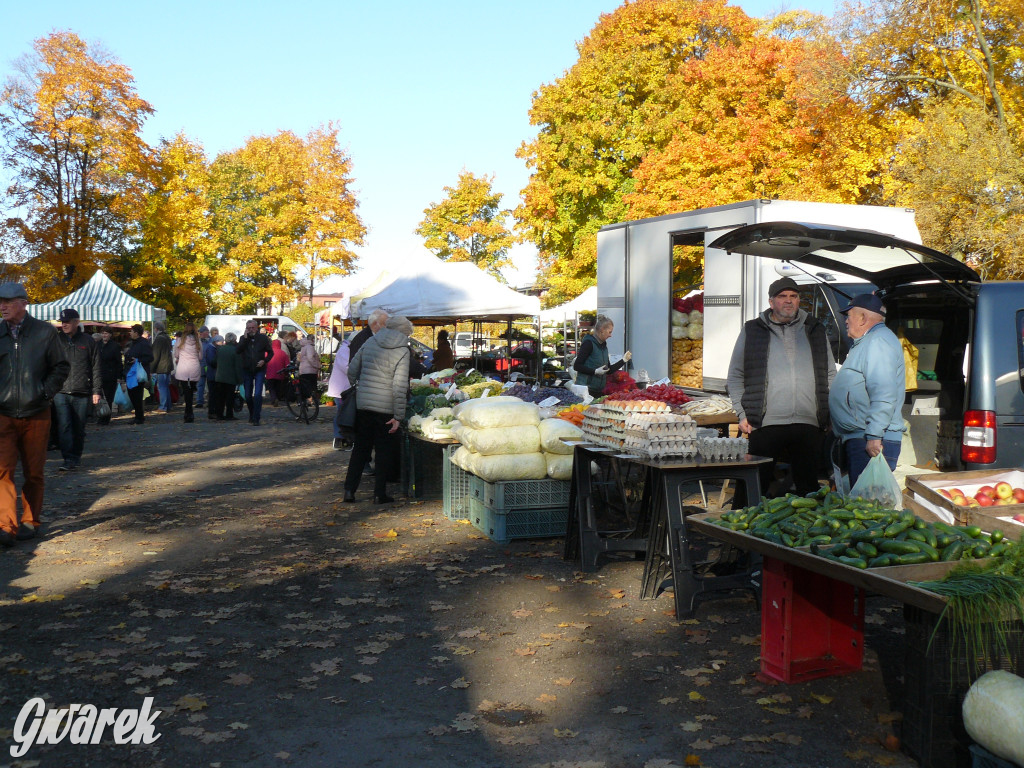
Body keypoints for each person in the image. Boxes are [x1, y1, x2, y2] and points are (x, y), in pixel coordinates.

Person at [727, 277, 836, 497]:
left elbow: (830, 373)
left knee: (808, 491)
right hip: (764, 423)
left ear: (799, 300)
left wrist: (830, 412)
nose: (788, 301)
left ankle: (804, 520)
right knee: (753, 486)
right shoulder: (753, 329)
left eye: (793, 296)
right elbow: (735, 375)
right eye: (782, 296)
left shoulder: (814, 328)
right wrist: (742, 413)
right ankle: (741, 518)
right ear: (771, 302)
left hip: (809, 423)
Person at [0, 282, 70, 545]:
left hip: (37, 413)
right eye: (0, 302)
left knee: (34, 472)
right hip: (3, 414)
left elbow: (61, 366)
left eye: (7, 301)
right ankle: (6, 525)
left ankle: (30, 520)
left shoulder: (44, 332)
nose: (2, 307)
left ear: (23, 303)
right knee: (2, 471)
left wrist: (45, 393)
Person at [830, 293, 906, 487]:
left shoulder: (878, 342)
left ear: (863, 318)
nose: (846, 321)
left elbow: (883, 392)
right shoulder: (868, 342)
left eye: (849, 315)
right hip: (861, 437)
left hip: (870, 440)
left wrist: (874, 435)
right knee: (862, 498)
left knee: (868, 501)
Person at [343, 313, 412, 504]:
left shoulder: (370, 342)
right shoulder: (403, 351)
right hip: (386, 408)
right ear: (404, 332)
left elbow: (352, 370)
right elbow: (399, 386)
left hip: (364, 404)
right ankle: (379, 494)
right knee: (383, 451)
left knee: (360, 448)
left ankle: (349, 490)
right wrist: (398, 415)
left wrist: (360, 386)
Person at [53, 308, 102, 471]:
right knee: (64, 425)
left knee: (79, 426)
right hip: (60, 391)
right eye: (62, 322)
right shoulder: (56, 340)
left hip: (82, 391)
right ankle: (68, 459)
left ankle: (75, 456)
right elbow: (48, 364)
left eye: (67, 322)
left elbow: (96, 367)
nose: (64, 324)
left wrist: (96, 390)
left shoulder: (88, 341)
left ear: (76, 322)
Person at [573, 315, 632, 397]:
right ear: (602, 330)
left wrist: (624, 360)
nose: (610, 335)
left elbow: (608, 370)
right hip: (585, 391)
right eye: (610, 332)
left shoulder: (603, 346)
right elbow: (577, 366)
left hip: (597, 391)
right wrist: (595, 371)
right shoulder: (588, 344)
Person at [237, 319, 273, 426]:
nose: (251, 330)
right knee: (247, 395)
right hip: (247, 369)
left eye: (253, 328)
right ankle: (252, 413)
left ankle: (256, 417)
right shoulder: (243, 338)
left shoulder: (263, 338)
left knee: (257, 394)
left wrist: (264, 361)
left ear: (256, 328)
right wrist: (245, 339)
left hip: (259, 369)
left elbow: (271, 352)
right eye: (249, 328)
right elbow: (238, 350)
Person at [173, 321, 203, 423]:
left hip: (183, 368)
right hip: (194, 367)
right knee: (191, 391)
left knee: (186, 391)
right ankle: (190, 412)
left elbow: (176, 355)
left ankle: (188, 412)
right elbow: (200, 357)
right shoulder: (198, 341)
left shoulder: (180, 341)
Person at [123, 325, 154, 424]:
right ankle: (138, 415)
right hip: (131, 372)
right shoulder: (132, 343)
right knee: (132, 394)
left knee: (137, 395)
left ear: (136, 333)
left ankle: (139, 417)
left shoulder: (143, 343)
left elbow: (150, 358)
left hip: (138, 374)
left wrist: (138, 360)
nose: (130, 333)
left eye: (132, 331)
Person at [327, 334, 352, 450]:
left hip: (343, 388)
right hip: (341, 389)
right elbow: (347, 368)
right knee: (341, 413)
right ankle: (339, 438)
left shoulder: (345, 349)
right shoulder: (344, 350)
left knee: (343, 412)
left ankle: (343, 437)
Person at [213, 333, 244, 421]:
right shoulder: (235, 351)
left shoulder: (220, 349)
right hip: (231, 378)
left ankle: (219, 414)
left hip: (219, 377)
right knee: (230, 397)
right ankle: (229, 414)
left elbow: (214, 361)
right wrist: (240, 379)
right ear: (234, 340)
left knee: (220, 397)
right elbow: (238, 366)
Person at [97, 328, 124, 425]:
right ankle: (101, 415)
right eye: (103, 333)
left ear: (110, 335)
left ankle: (106, 417)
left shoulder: (114, 346)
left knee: (108, 397)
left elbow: (118, 362)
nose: (104, 335)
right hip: (99, 374)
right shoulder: (98, 345)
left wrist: (119, 376)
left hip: (110, 375)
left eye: (106, 333)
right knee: (99, 397)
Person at [150, 321, 175, 413]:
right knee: (166, 386)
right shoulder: (167, 337)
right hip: (167, 365)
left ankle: (163, 406)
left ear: (156, 329)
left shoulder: (159, 339)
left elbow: (156, 354)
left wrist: (151, 368)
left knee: (162, 387)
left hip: (162, 366)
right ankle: (168, 405)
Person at [265, 339, 291, 406]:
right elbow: (287, 364)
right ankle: (277, 398)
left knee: (271, 387)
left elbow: (265, 362)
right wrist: (286, 373)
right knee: (278, 387)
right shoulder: (283, 353)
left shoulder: (268, 352)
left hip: (270, 373)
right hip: (280, 374)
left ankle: (274, 398)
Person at [203, 335, 223, 419]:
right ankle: (212, 412)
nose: (222, 343)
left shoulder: (212, 348)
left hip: (213, 374)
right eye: (221, 342)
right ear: (216, 342)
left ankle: (214, 411)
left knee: (215, 394)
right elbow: (212, 362)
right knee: (213, 394)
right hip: (212, 375)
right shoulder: (211, 349)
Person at [297, 335, 320, 405]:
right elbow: (310, 358)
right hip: (310, 370)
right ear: (312, 339)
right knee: (311, 386)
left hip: (304, 370)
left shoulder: (304, 346)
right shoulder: (309, 347)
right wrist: (317, 366)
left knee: (305, 387)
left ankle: (305, 401)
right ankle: (310, 400)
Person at [196, 326, 211, 409]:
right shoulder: (198, 342)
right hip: (201, 365)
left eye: (201, 333)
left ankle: (210, 401)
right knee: (200, 384)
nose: (200, 334)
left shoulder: (211, 341)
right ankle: (199, 401)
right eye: (200, 333)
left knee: (210, 385)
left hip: (209, 365)